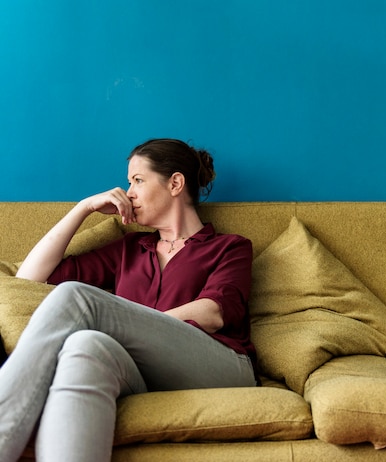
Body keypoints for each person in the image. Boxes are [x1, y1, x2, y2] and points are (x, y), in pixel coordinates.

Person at [0, 138, 257, 462]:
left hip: (220, 365)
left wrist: (127, 324)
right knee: (85, 345)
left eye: (137, 180)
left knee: (76, 298)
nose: (128, 192)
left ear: (175, 183)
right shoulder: (130, 249)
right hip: (141, 369)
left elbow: (214, 312)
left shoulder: (229, 247)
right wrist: (84, 208)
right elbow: (30, 278)